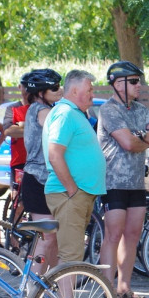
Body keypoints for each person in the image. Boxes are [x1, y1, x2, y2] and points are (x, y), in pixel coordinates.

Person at [97, 61, 149, 298]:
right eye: (134, 81)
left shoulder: (139, 109)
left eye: (140, 80)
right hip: (113, 182)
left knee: (133, 235)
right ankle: (108, 292)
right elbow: (127, 143)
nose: (140, 85)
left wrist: (141, 137)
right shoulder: (108, 110)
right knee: (113, 234)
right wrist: (142, 137)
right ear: (118, 83)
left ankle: (124, 289)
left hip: (137, 182)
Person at [43, 70, 106, 268]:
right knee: (71, 258)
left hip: (77, 193)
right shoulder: (65, 114)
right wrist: (72, 189)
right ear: (74, 90)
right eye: (89, 89)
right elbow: (54, 154)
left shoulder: (74, 114)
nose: (92, 94)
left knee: (71, 255)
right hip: (70, 194)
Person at [20, 69, 62, 270]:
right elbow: (61, 133)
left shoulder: (47, 108)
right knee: (46, 238)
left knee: (52, 239)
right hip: (38, 180)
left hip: (48, 179)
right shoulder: (41, 111)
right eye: (54, 88)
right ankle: (33, 288)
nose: (59, 90)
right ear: (39, 92)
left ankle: (49, 286)